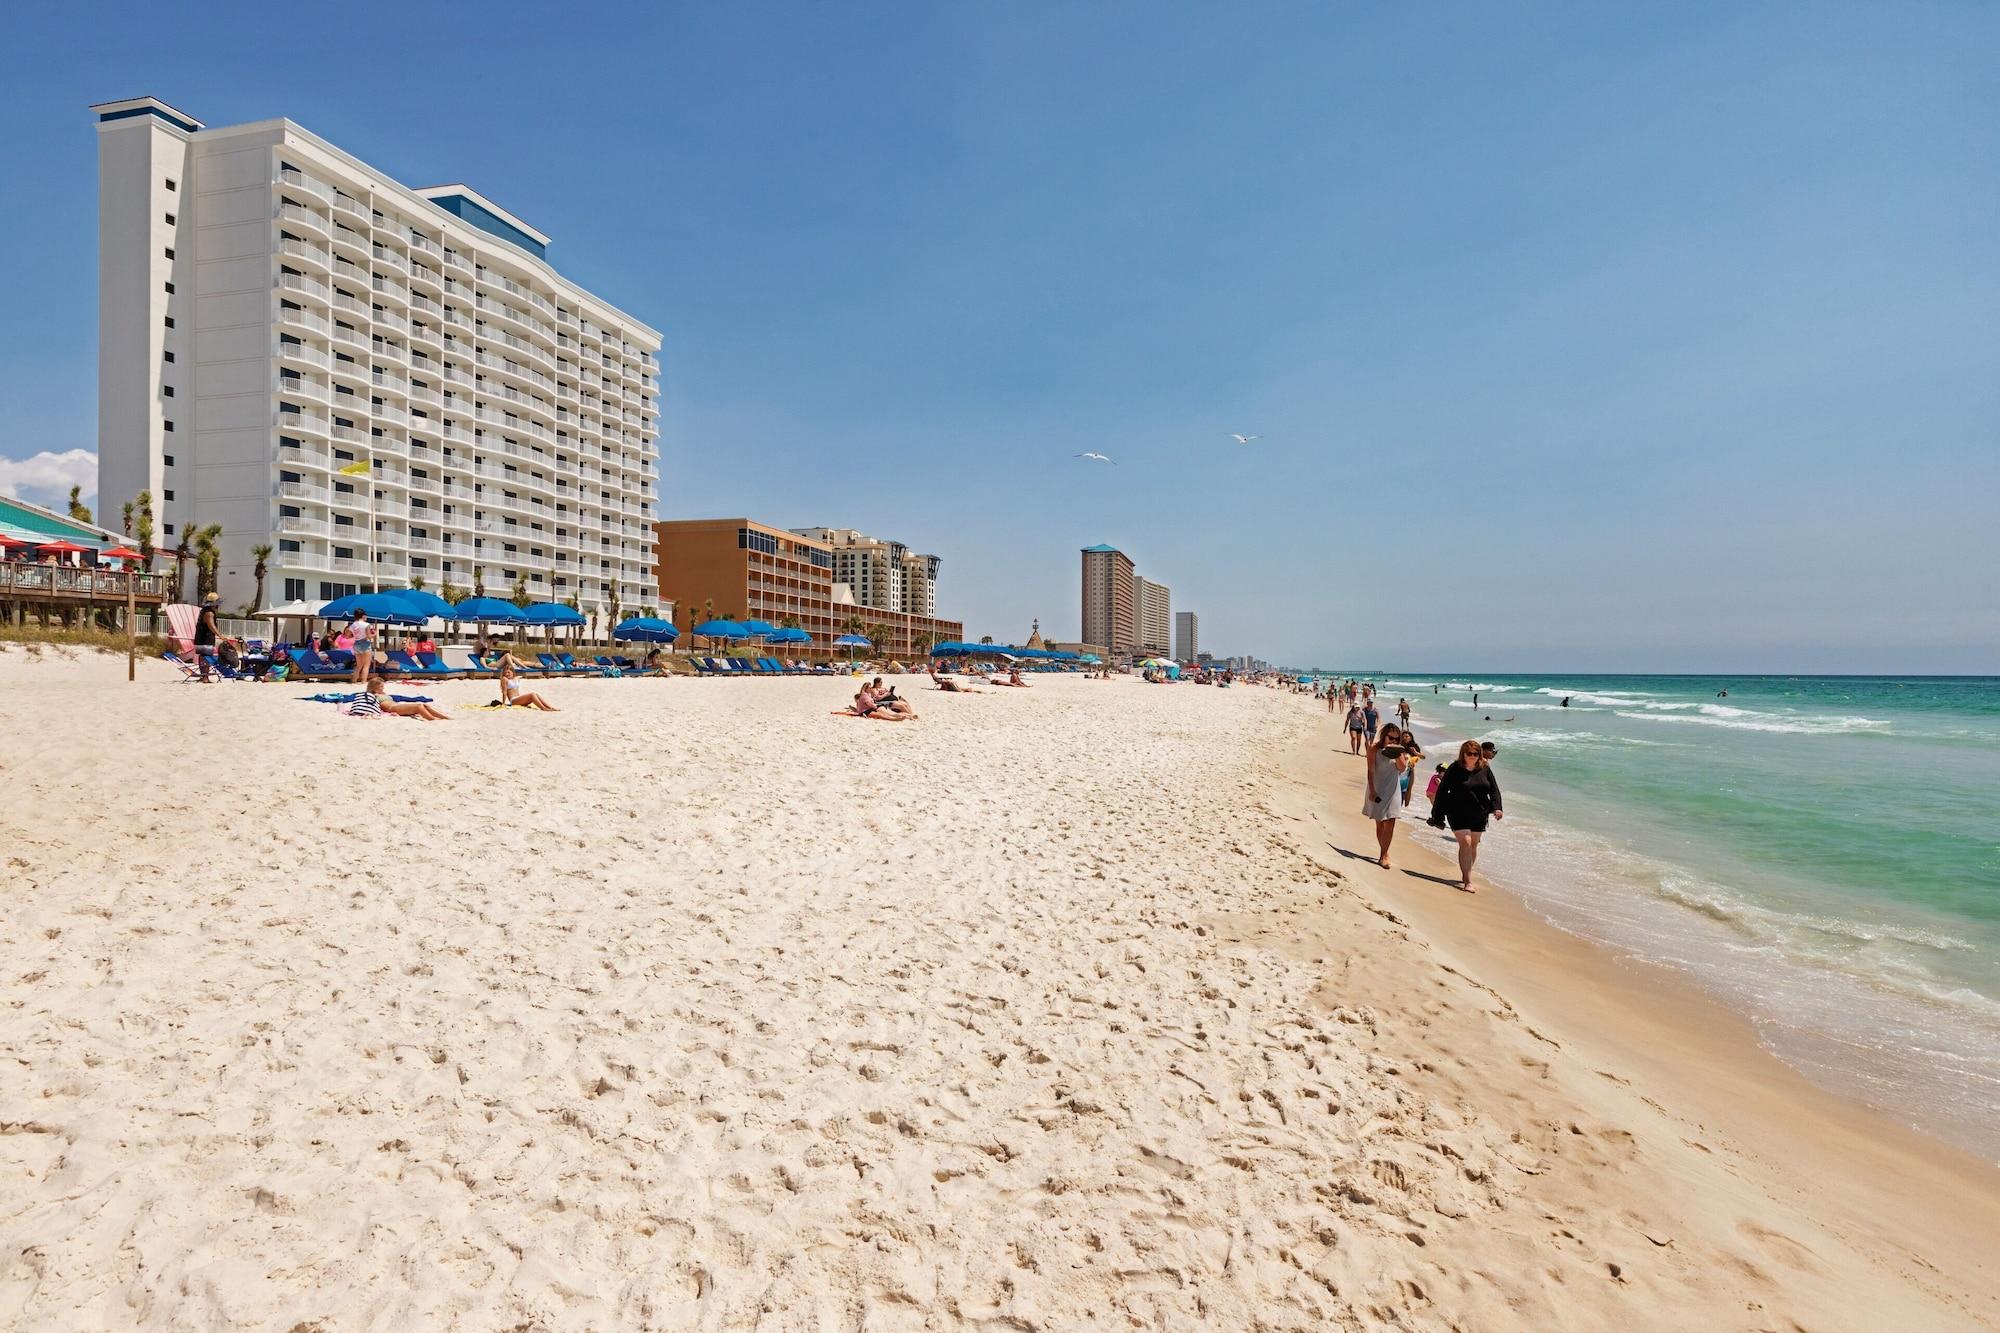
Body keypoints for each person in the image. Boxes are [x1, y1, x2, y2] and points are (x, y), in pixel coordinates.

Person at [1432, 740, 1504, 892]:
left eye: (1475, 754)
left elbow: (1494, 790)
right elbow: (1442, 791)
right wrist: (1437, 815)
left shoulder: (1484, 768)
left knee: (1473, 845)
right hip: (1457, 811)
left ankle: (1465, 873)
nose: (1472, 756)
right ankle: (1468, 881)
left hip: (1479, 812)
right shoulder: (1455, 768)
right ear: (1463, 754)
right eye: (1469, 754)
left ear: (1480, 755)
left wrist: (1497, 807)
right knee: (1466, 842)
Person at [1362, 724, 1419, 868]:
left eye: (1396, 738)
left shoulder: (1399, 751)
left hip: (1393, 789)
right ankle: (1384, 852)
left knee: (1391, 821)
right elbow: (1370, 771)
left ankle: (1383, 854)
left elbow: (1401, 769)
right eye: (1391, 738)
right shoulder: (1374, 749)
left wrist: (1397, 754)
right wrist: (1372, 791)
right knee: (1380, 822)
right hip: (1377, 788)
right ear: (1384, 736)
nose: (1393, 741)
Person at [363, 675, 450, 721]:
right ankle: (432, 720)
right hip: (393, 709)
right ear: (374, 687)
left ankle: (444, 717)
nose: (383, 688)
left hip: (397, 706)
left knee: (424, 705)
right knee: (419, 706)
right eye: (381, 687)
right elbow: (368, 705)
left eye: (382, 686)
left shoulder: (382, 693)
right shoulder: (372, 695)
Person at [494, 653, 559, 711]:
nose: (507, 674)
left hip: (518, 699)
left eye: (508, 672)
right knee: (532, 694)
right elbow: (504, 692)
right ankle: (543, 708)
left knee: (536, 694)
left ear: (512, 672)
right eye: (505, 673)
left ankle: (550, 707)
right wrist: (503, 703)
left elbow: (525, 676)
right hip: (513, 701)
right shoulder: (504, 679)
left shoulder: (516, 678)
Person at [193, 592, 221, 681]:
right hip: (206, 638)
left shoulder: (204, 611)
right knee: (206, 658)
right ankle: (205, 677)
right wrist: (220, 635)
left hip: (200, 637)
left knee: (202, 657)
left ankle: (203, 676)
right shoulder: (209, 613)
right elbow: (212, 626)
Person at [347, 610, 375, 683]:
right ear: (363, 616)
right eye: (366, 615)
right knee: (366, 665)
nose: (366, 617)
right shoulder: (367, 624)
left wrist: (356, 635)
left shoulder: (353, 625)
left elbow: (348, 636)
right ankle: (363, 681)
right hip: (365, 643)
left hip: (356, 643)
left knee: (359, 665)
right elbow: (369, 636)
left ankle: (354, 680)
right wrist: (375, 634)